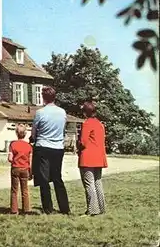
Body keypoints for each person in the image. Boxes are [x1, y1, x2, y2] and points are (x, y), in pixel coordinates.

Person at [31, 86, 70, 215]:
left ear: (43, 98)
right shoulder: (62, 112)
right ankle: (65, 208)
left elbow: (34, 132)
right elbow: (63, 130)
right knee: (57, 178)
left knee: (44, 179)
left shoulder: (40, 113)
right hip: (58, 147)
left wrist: (34, 139)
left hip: (43, 147)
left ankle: (48, 208)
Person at [78, 101, 108, 217]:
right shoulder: (100, 124)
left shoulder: (87, 123)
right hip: (99, 157)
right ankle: (101, 208)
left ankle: (92, 210)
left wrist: (78, 145)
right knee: (97, 183)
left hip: (88, 157)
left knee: (89, 184)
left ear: (85, 112)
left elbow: (83, 142)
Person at [8, 123, 32, 215]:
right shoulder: (29, 146)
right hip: (25, 168)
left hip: (15, 168)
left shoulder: (13, 144)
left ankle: (14, 210)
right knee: (25, 189)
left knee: (14, 190)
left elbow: (10, 158)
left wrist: (14, 161)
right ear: (25, 134)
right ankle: (26, 209)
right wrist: (31, 172)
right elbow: (30, 160)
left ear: (16, 133)